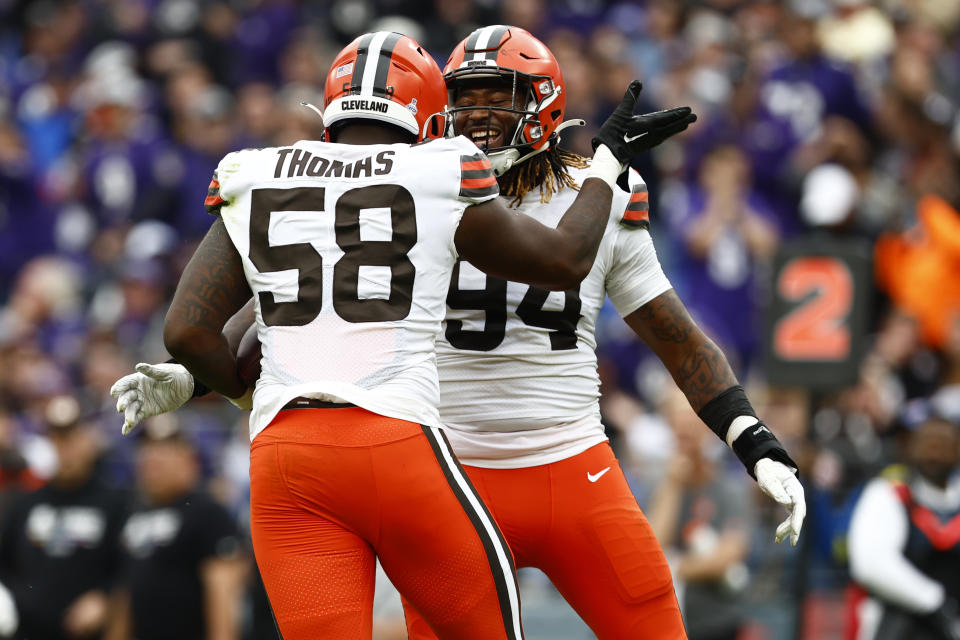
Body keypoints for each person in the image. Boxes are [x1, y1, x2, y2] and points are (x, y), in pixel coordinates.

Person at [112, 25, 801, 640]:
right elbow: (299, 321)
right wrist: (194, 377)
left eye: (497, 97)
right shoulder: (433, 178)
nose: (478, 116)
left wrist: (754, 438)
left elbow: (677, 337)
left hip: (568, 464)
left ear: (545, 103)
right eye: (464, 98)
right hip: (442, 470)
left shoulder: (585, 191)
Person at [106, 417, 246, 640]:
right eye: (148, 447)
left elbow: (224, 592)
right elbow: (125, 593)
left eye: (166, 448)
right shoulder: (130, 513)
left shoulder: (208, 512)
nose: (153, 456)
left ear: (190, 459)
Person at [0, 396, 127, 640]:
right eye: (58, 438)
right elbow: (4, 565)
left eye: (72, 436)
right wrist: (16, 602)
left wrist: (105, 596)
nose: (65, 447)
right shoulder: (25, 503)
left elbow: (131, 566)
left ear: (90, 440)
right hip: (29, 631)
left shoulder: (116, 503)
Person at [847, 406, 960, 640]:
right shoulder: (888, 494)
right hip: (896, 627)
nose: (934, 451)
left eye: (943, 443)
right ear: (910, 447)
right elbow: (871, 564)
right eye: (926, 441)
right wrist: (934, 601)